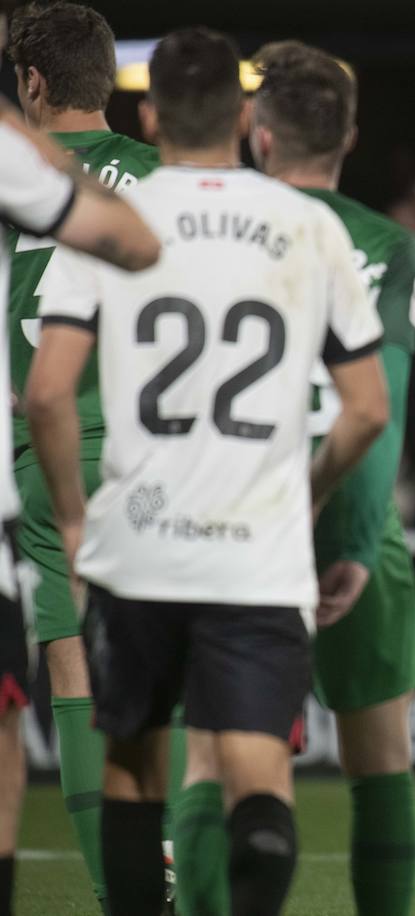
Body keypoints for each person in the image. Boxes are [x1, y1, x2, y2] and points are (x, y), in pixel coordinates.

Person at [24, 28, 388, 916]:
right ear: (247, 116)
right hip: (256, 548)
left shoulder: (112, 220)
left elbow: (46, 394)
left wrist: (74, 522)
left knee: (131, 764)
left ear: (151, 114)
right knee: (255, 767)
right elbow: (368, 409)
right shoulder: (307, 225)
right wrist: (304, 495)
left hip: (139, 540)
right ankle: (254, 870)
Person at [122, 41, 415, 916]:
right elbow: (379, 409)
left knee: (215, 762)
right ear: (351, 138)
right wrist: (357, 543)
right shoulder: (385, 245)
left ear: (257, 134)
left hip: (220, 513)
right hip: (353, 518)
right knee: (381, 759)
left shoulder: (199, 225)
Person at [3, 3, 165, 904]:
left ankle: (125, 892)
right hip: (157, 452)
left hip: (44, 448)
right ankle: (172, 861)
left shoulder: (14, 174)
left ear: (31, 83)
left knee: (72, 665)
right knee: (163, 670)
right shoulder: (164, 176)